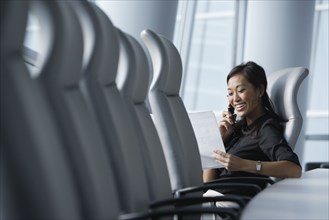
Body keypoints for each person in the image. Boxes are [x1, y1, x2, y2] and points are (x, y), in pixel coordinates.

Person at [203, 61, 302, 194]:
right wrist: (220, 140)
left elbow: (294, 169)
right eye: (230, 93)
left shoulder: (265, 129)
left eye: (241, 90)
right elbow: (207, 182)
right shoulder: (238, 129)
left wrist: (243, 164)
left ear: (260, 90)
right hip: (212, 200)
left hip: (226, 205)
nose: (235, 99)